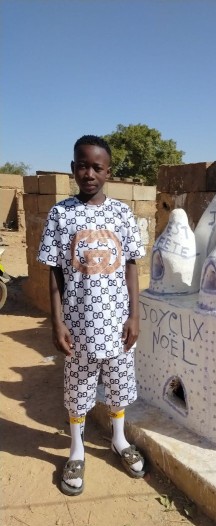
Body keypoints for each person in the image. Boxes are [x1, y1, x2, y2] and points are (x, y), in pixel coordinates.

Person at [37, 134, 146, 496]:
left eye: (97, 167)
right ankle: (77, 449)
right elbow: (53, 271)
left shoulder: (122, 214)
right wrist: (57, 321)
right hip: (79, 324)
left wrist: (135, 314)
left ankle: (118, 440)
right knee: (78, 389)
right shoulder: (60, 214)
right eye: (82, 165)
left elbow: (130, 265)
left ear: (108, 172)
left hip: (117, 325)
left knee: (118, 385)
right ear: (72, 168)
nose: (89, 173)